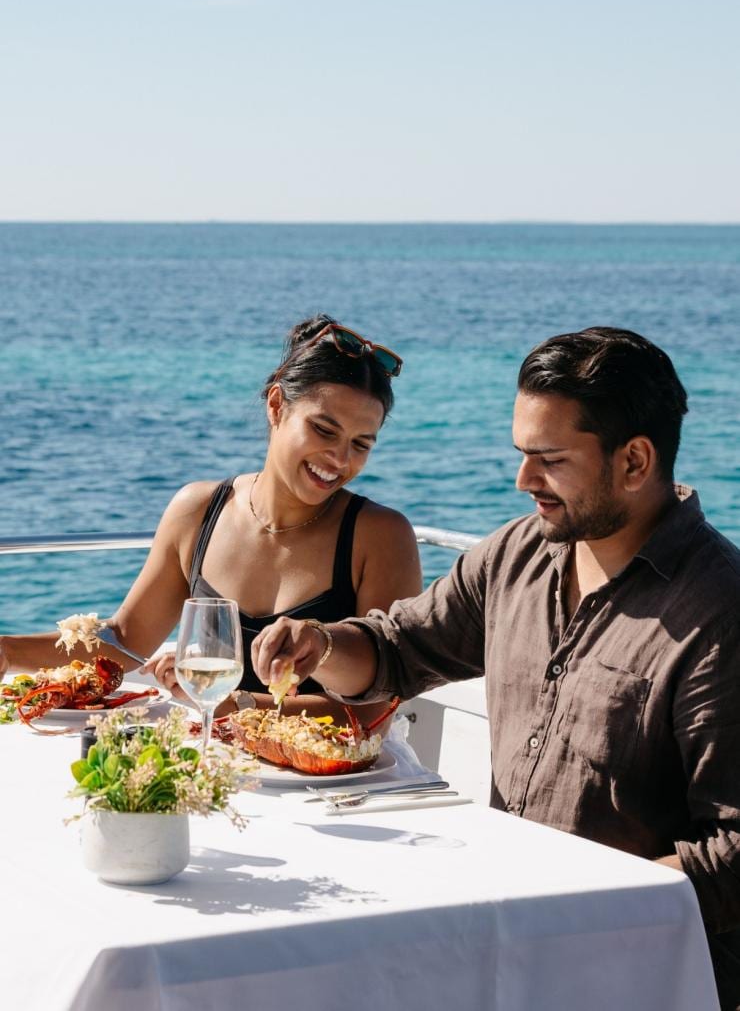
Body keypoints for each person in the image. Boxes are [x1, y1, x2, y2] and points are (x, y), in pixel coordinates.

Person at [251, 326, 740, 1011]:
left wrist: (569, 907)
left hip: (635, 973)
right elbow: (399, 648)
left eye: (549, 459)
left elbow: (733, 854)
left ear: (634, 462)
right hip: (503, 943)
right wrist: (322, 645)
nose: (523, 481)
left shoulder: (720, 613)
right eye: (522, 455)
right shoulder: (515, 555)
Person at [0, 315, 422, 728]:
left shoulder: (380, 537)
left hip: (349, 787)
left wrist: (232, 704)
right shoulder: (198, 510)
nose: (340, 460)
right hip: (220, 761)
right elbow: (126, 643)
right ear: (277, 406)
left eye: (361, 444)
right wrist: (8, 651)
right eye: (324, 430)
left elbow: (372, 713)